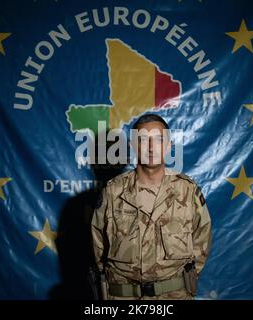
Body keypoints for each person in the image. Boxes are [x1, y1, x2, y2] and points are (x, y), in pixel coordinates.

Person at [91, 114, 212, 300]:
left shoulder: (187, 191)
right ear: (132, 145)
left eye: (158, 139)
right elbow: (98, 244)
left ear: (168, 145)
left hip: (173, 296)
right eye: (143, 140)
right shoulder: (113, 192)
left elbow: (202, 238)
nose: (150, 147)